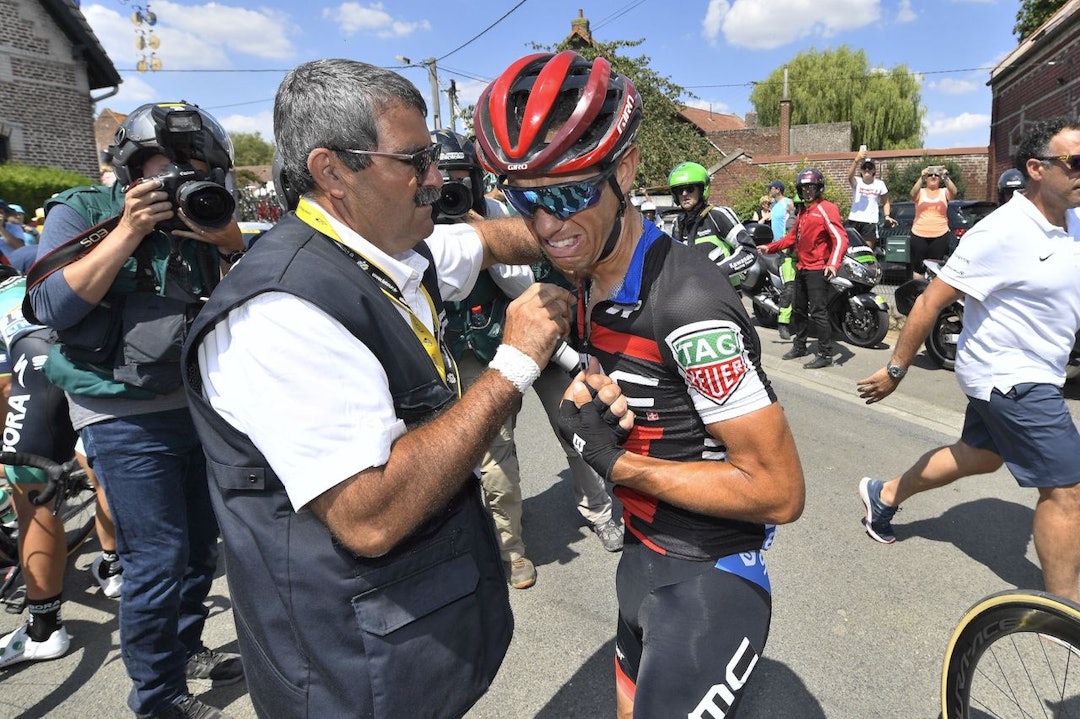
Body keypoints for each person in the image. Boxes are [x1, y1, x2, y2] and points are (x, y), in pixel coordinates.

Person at [182, 58, 570, 718]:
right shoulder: (279, 313)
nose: (436, 179)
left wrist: (583, 230)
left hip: (407, 646)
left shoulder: (384, 244)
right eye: (414, 161)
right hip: (348, 674)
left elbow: (486, 239)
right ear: (332, 171)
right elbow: (370, 514)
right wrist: (512, 364)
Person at [474, 50, 805, 719]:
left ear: (625, 170)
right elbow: (490, 237)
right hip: (641, 562)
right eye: (524, 196)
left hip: (706, 581)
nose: (547, 226)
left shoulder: (686, 304)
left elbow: (779, 491)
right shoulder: (583, 260)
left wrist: (620, 461)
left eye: (566, 193)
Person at [27, 102, 245, 719]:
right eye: (166, 166)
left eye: (197, 167)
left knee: (202, 547)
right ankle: (158, 698)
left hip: (200, 403)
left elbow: (252, 300)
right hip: (119, 413)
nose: (182, 179)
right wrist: (127, 231)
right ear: (130, 166)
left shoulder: (209, 210)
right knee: (156, 557)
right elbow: (49, 306)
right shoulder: (85, 211)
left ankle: (183, 649)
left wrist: (229, 242)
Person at [855, 116, 1080, 603]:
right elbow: (929, 301)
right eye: (1075, 162)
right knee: (1067, 490)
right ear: (1038, 169)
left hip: (1034, 367)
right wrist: (895, 371)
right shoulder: (1001, 231)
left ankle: (884, 494)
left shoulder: (1074, 221)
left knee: (978, 456)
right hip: (1011, 375)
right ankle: (1063, 613)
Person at [0, 269, 123, 669]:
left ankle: (44, 627)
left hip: (35, 366)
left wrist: (10, 456)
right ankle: (114, 567)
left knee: (31, 492)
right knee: (97, 462)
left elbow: (3, 388)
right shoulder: (27, 279)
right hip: (91, 352)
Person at [434, 128, 539, 589]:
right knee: (434, 456)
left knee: (496, 455)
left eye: (463, 178)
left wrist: (484, 237)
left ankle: (510, 547)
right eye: (445, 180)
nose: (453, 190)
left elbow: (525, 285)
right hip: (428, 359)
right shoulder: (408, 216)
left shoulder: (493, 212)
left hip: (484, 355)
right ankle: (455, 545)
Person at [759, 169, 849, 369]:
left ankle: (826, 354)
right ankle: (799, 346)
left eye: (811, 187)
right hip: (801, 266)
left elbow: (840, 238)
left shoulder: (827, 208)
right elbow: (792, 238)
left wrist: (833, 263)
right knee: (798, 310)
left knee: (818, 312)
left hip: (818, 269)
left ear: (819, 188)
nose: (808, 191)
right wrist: (769, 247)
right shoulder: (804, 211)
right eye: (804, 188)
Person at [667, 161, 759, 287]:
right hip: (693, 295)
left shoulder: (718, 215)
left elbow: (749, 251)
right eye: (679, 190)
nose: (684, 194)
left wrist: (716, 272)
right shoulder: (677, 223)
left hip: (724, 293)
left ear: (702, 189)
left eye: (690, 188)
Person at [908, 163, 958, 279]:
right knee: (918, 268)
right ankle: (919, 294)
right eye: (930, 175)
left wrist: (945, 176)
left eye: (937, 175)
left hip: (940, 235)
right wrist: (921, 177)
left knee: (936, 268)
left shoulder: (944, 192)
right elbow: (912, 194)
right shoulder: (920, 192)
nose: (934, 177)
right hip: (919, 234)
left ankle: (934, 295)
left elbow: (954, 192)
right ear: (926, 178)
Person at [846, 150, 897, 248]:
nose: (867, 170)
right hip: (854, 220)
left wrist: (887, 216)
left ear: (874, 170)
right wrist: (856, 160)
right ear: (861, 170)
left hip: (870, 221)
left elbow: (885, 202)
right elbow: (849, 176)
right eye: (864, 168)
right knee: (850, 249)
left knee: (867, 250)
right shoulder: (857, 181)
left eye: (870, 168)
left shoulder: (880, 184)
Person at [766, 180, 797, 339]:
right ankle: (783, 323)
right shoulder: (773, 206)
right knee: (789, 286)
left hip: (791, 247)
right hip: (779, 248)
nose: (769, 191)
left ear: (778, 189)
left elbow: (794, 220)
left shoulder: (788, 202)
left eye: (770, 188)